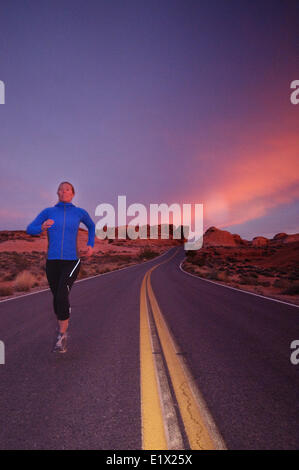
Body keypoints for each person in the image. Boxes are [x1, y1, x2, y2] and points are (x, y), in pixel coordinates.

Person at [26, 181, 95, 353]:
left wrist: (90, 244)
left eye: (67, 189)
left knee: (62, 294)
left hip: (72, 260)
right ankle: (64, 318)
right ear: (57, 193)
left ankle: (62, 335)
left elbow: (92, 226)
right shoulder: (48, 212)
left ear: (73, 193)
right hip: (52, 261)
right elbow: (30, 229)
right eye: (61, 189)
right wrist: (41, 227)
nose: (64, 191)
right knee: (57, 298)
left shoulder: (79, 212)